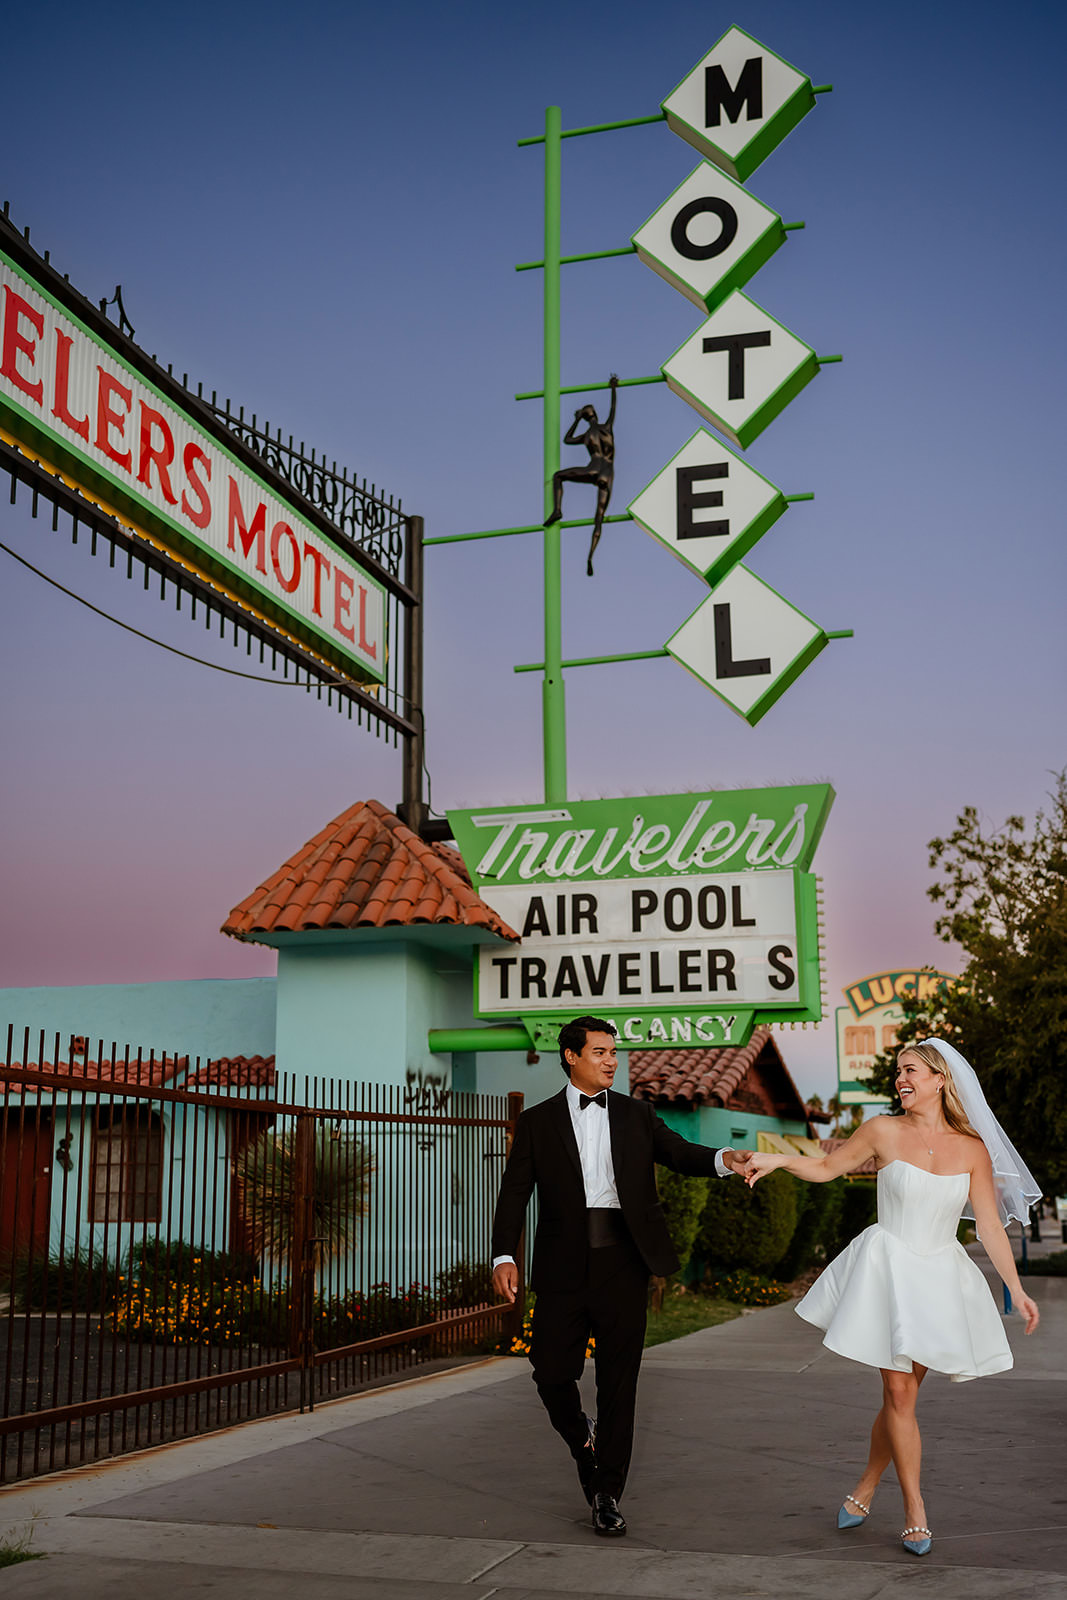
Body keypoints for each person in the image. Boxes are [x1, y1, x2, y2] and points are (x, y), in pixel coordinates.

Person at [743, 1039, 1041, 1558]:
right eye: (898, 1071)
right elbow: (826, 1168)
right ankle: (915, 1510)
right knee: (901, 1395)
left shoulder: (972, 1148)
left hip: (941, 1279)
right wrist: (777, 1161)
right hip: (890, 1270)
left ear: (939, 1079)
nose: (901, 1079)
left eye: (911, 1071)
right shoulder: (882, 1130)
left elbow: (990, 1224)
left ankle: (865, 1486)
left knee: (900, 1398)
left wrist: (1015, 1288)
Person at [491, 1014, 751, 1537]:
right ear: (571, 1056)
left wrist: (726, 1158)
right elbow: (514, 1193)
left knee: (618, 1383)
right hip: (563, 1266)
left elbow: (679, 1154)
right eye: (601, 1052)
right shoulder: (539, 1123)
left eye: (614, 1052)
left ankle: (606, 1491)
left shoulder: (637, 1114)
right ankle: (581, 1436)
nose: (612, 1060)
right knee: (550, 1371)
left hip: (625, 1263)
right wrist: (503, 1257)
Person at [543, 375, 618, 575]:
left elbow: (567, 439)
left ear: (585, 418)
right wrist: (613, 387)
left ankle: (557, 510)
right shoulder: (607, 428)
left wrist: (576, 420)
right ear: (595, 415)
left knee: (558, 476)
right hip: (608, 473)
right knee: (599, 517)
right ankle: (590, 556)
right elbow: (613, 408)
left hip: (592, 470)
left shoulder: (587, 435)